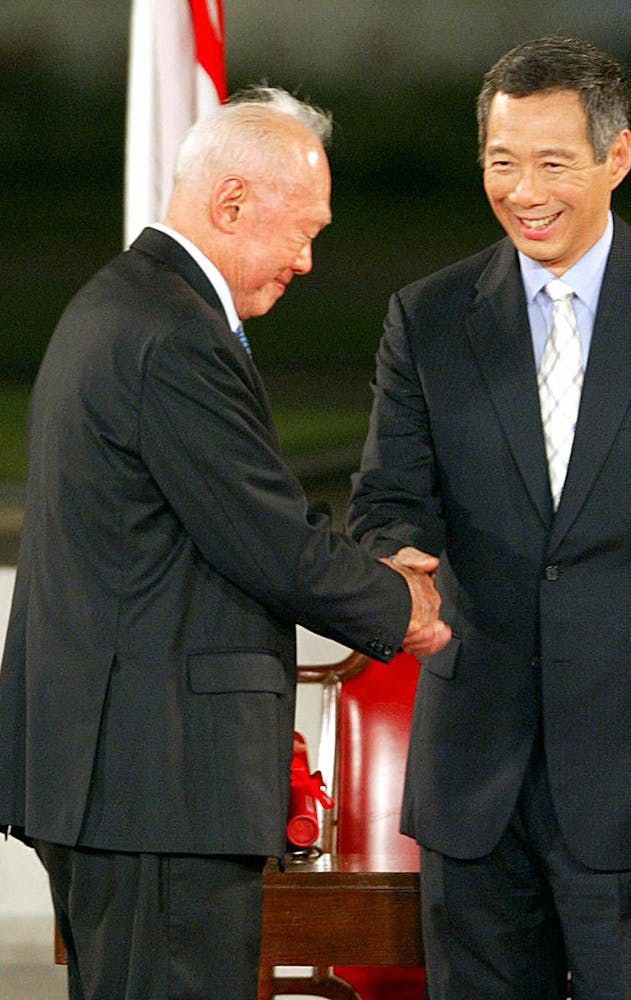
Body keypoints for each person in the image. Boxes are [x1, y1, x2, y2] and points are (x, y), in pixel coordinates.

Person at [0, 86, 450, 999]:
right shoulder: (172, 334)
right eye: (303, 231)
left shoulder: (122, 305)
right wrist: (402, 602)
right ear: (233, 201)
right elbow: (268, 539)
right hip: (157, 788)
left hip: (122, 783)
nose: (308, 261)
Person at [347, 36, 631, 1000]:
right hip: (471, 786)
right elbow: (388, 501)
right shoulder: (428, 317)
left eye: (553, 163)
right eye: (502, 162)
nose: (524, 192)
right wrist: (397, 560)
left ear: (617, 157)